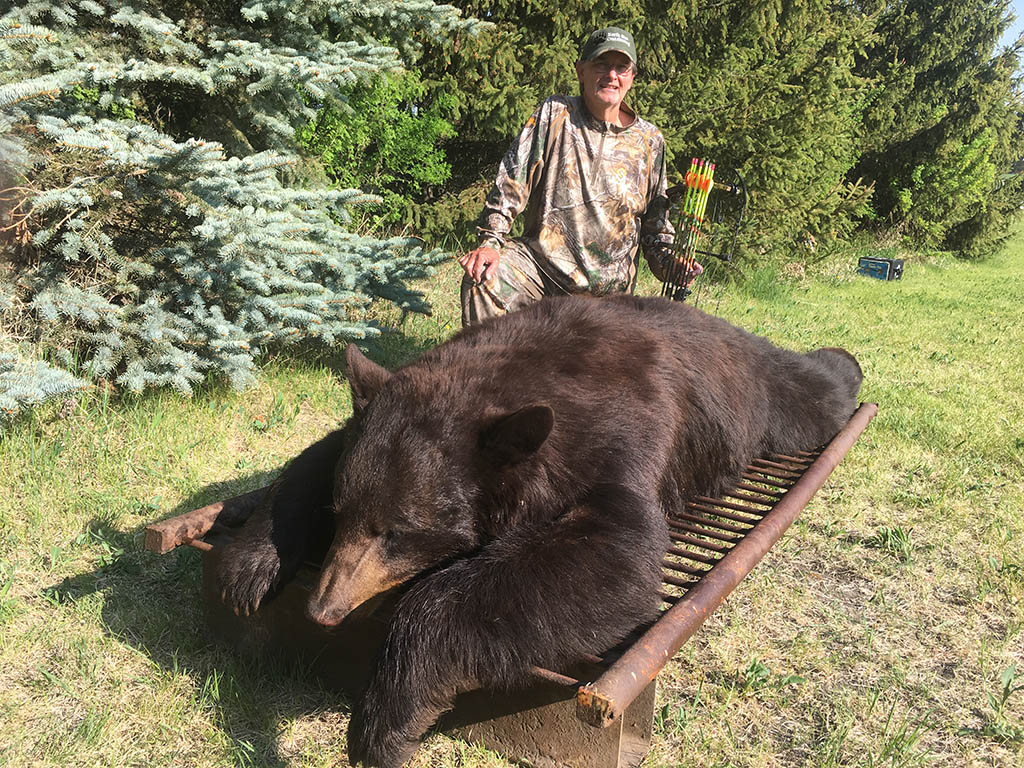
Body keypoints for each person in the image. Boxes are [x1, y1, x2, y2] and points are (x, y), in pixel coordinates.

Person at [459, 26, 700, 327]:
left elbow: (656, 232)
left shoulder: (650, 142)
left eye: (621, 68)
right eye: (602, 64)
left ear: (631, 78)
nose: (612, 75)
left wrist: (673, 266)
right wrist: (490, 243)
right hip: (540, 274)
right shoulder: (555, 114)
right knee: (484, 280)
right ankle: (487, 375)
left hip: (607, 303)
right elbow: (512, 182)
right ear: (581, 71)